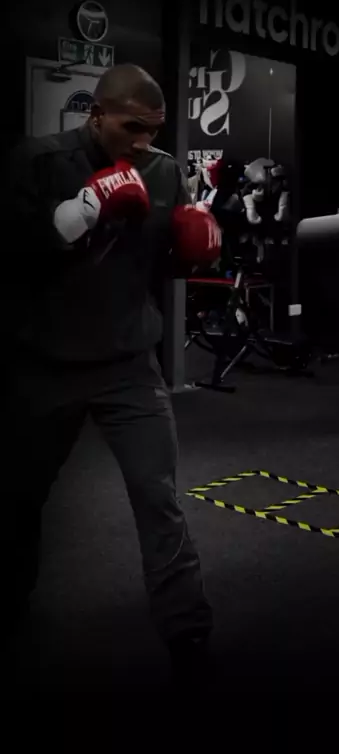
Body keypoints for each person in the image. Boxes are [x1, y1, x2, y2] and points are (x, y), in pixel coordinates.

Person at [3, 63, 220, 680]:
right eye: (132, 128)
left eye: (153, 131)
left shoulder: (164, 170)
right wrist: (80, 211)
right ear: (96, 115)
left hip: (129, 363)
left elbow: (162, 263)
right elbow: (12, 251)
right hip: (46, 364)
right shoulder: (37, 161)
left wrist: (195, 249)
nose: (143, 142)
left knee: (158, 497)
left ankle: (188, 633)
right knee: (18, 496)